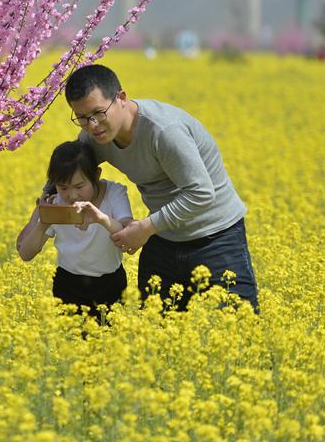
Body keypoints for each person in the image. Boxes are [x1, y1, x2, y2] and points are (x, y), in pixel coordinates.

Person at [63, 64, 258, 311]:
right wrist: (49, 201)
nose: (92, 125)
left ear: (121, 98)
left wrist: (146, 228)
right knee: (156, 333)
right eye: (81, 118)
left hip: (216, 237)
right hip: (165, 238)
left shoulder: (164, 132)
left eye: (98, 113)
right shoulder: (96, 137)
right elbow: (70, 168)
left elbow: (201, 193)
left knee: (239, 328)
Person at [17, 141, 133, 321]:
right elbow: (25, 253)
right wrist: (43, 222)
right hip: (68, 286)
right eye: (63, 187)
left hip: (111, 284)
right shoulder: (56, 202)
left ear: (96, 175)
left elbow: (128, 236)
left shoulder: (114, 193)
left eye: (79, 186)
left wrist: (100, 218)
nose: (71, 195)